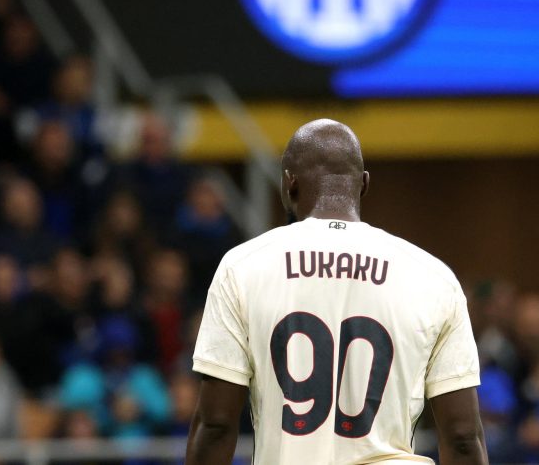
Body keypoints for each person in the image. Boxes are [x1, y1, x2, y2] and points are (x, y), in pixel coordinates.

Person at [185, 119, 487, 465]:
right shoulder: (433, 277)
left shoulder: (242, 267)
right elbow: (463, 437)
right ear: (364, 184)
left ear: (289, 183)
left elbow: (215, 425)